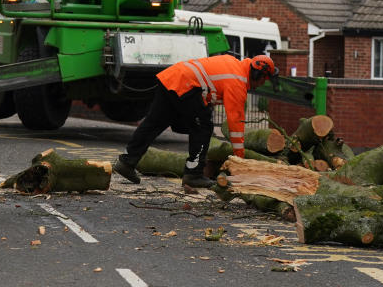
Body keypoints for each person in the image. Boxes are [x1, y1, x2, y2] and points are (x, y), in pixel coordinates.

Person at [112, 53, 278, 189]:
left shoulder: (234, 65)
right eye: (265, 80)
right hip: (186, 85)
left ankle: (127, 162)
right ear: (258, 74)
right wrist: (240, 159)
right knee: (203, 127)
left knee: (154, 123)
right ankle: (194, 173)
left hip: (172, 78)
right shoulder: (237, 81)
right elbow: (235, 122)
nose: (263, 84)